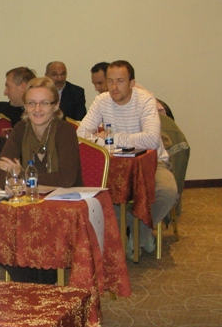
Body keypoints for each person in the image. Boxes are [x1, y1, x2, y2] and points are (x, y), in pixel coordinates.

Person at [76, 60, 178, 257]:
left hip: (153, 162)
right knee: (103, 197)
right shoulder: (102, 101)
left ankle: (138, 232)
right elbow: (81, 134)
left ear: (132, 83)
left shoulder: (145, 100)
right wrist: (108, 140)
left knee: (167, 191)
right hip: (116, 166)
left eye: (120, 81)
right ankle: (134, 235)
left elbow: (150, 139)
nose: (114, 87)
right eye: (110, 81)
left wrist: (111, 138)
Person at [0, 76, 82, 284]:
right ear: (24, 106)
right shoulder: (20, 129)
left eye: (44, 103)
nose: (37, 109)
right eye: (32, 103)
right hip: (29, 204)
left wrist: (22, 176)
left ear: (55, 106)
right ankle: (32, 285)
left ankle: (43, 283)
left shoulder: (65, 131)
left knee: (36, 232)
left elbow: (66, 178)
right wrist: (19, 181)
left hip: (63, 207)